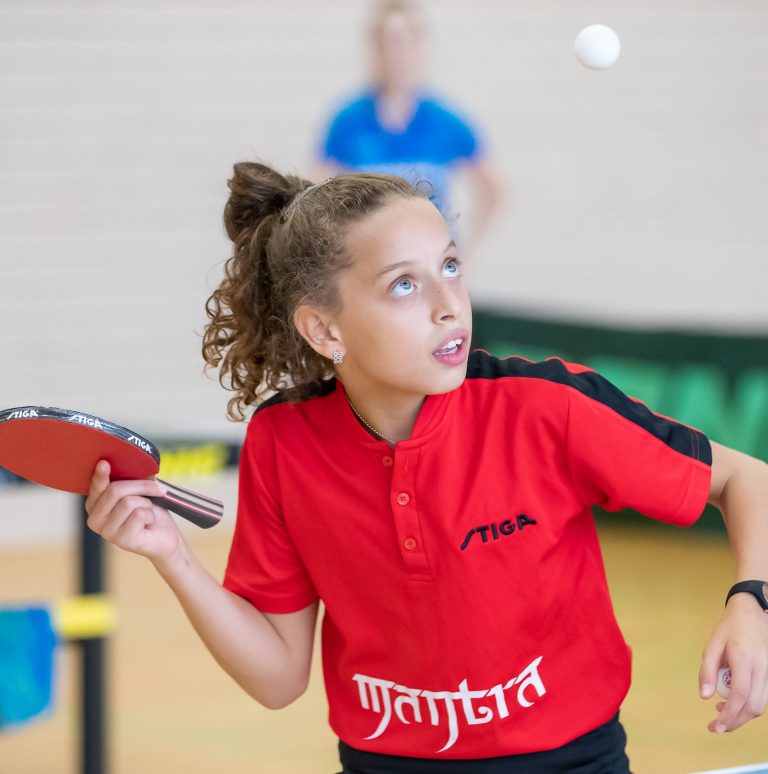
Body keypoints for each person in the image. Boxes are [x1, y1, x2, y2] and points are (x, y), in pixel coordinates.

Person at [85, 163, 768, 774]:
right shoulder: (283, 443)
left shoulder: (546, 407)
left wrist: (753, 602)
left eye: (450, 267)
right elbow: (277, 679)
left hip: (571, 764)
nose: (449, 306)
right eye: (405, 284)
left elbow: (747, 481)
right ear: (325, 331)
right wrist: (171, 555)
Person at [315, 0, 502, 255]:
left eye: (403, 41)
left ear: (419, 45)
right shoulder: (348, 121)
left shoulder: (446, 120)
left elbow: (494, 193)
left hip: (431, 266)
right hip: (372, 265)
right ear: (375, 48)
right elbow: (314, 198)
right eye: (387, 42)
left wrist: (466, 253)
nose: (396, 53)